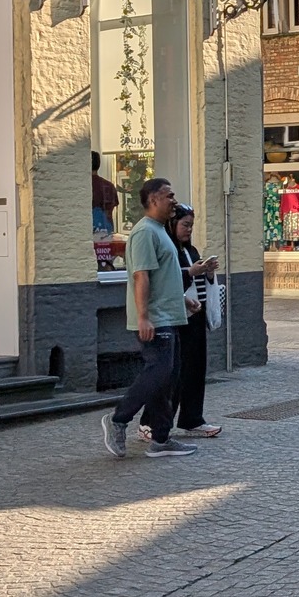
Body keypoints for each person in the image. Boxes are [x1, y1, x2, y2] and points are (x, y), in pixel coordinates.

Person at [101, 177, 197, 459]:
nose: (174, 201)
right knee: (157, 373)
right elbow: (141, 275)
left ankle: (161, 438)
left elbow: (160, 277)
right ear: (153, 199)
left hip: (169, 314)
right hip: (155, 318)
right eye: (169, 195)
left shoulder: (159, 231)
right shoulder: (144, 233)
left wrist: (182, 300)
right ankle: (118, 420)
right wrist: (143, 317)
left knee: (168, 378)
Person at [165, 204, 221, 439]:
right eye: (184, 225)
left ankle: (192, 418)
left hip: (195, 316)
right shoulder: (169, 251)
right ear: (172, 225)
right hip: (177, 318)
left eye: (191, 226)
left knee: (196, 370)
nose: (189, 230)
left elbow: (200, 283)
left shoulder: (192, 251)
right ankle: (158, 422)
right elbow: (164, 281)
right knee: (175, 372)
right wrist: (190, 273)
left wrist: (208, 272)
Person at [91, 152, 119, 237]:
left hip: (88, 234)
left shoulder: (83, 187)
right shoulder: (109, 186)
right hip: (107, 232)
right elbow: (112, 208)